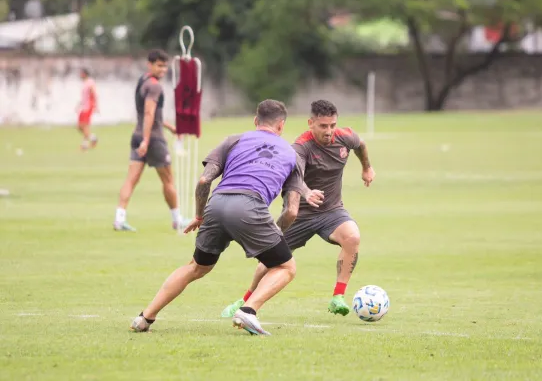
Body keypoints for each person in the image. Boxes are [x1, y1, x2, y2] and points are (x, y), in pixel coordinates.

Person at [130, 99, 323, 336]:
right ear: (281, 125)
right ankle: (249, 310)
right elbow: (292, 210)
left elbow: (204, 181)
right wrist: (272, 232)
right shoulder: (292, 155)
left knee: (196, 267)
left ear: (255, 121)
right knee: (286, 267)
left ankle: (145, 317)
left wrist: (200, 216)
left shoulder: (233, 140)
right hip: (250, 207)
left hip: (216, 203)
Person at [221, 99, 375, 317]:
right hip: (298, 215)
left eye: (332, 125)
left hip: (331, 211)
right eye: (323, 126)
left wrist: (367, 168)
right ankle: (245, 300)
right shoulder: (301, 147)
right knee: (269, 263)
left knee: (352, 237)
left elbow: (360, 145)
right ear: (310, 123)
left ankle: (338, 296)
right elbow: (297, 176)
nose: (329, 131)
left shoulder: (345, 137)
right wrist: (307, 193)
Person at [113, 49, 186, 232]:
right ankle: (177, 219)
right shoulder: (155, 86)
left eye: (165, 66)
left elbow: (152, 114)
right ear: (150, 64)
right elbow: (149, 113)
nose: (162, 70)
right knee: (168, 180)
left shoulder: (142, 81)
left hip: (137, 136)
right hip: (153, 140)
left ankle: (119, 219)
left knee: (131, 179)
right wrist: (146, 140)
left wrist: (170, 127)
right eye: (159, 66)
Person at [76, 68, 98, 151]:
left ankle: (84, 145)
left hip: (88, 107)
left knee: (85, 126)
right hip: (83, 107)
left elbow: (94, 94)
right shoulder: (84, 83)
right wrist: (79, 104)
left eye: (81, 73)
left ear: (85, 74)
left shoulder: (90, 82)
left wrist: (96, 106)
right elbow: (84, 97)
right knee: (79, 126)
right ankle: (93, 138)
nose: (80, 75)